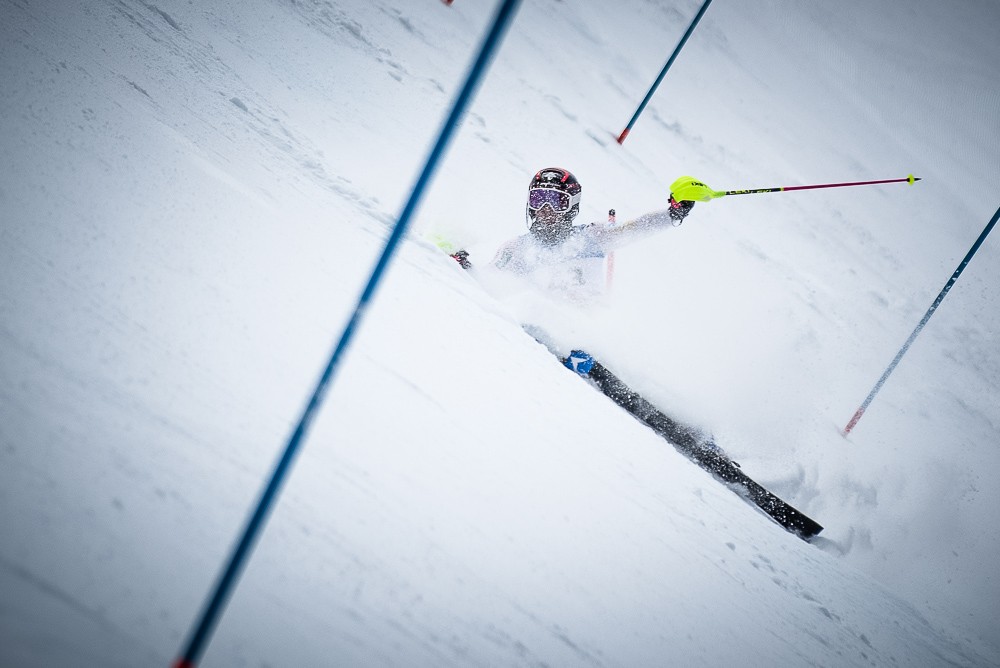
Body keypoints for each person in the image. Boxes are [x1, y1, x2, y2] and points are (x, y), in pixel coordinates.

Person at [453, 167, 696, 300]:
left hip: (585, 327)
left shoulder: (592, 237)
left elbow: (636, 228)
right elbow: (490, 284)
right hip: (539, 327)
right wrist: (464, 267)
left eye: (556, 201)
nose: (545, 208)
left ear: (571, 206)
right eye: (538, 199)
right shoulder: (515, 248)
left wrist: (673, 213)